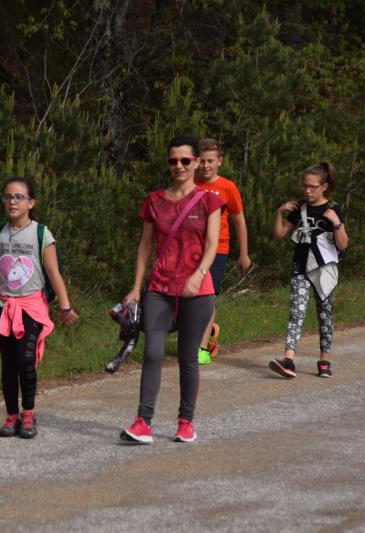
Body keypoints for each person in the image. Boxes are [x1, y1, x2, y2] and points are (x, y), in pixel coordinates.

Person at [120, 134, 224, 444]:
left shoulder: (210, 200)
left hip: (197, 290)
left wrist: (200, 273)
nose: (178, 165)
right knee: (152, 352)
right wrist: (137, 287)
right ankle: (143, 422)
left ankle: (185, 422)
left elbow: (211, 244)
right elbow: (144, 247)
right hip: (160, 287)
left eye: (185, 160)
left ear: (195, 163)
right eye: (173, 160)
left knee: (187, 357)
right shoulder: (155, 200)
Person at [0, 177, 79, 439]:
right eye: (7, 196)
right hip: (2, 305)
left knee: (25, 361)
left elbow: (53, 273)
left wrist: (65, 307)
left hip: (31, 307)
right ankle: (11, 416)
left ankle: (28, 414)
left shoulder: (41, 233)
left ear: (31, 203)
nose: (12, 202)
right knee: (8, 364)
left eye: (19, 197)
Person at [269, 161, 348, 379]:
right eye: (305, 186)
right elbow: (279, 234)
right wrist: (279, 213)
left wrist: (337, 223)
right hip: (300, 267)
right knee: (296, 312)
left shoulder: (332, 209)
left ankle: (324, 359)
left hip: (323, 269)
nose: (307, 190)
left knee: (325, 314)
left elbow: (343, 244)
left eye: (312, 186)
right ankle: (289, 359)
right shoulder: (299, 208)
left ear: (324, 186)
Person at [194, 138, 251, 365]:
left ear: (220, 161)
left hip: (218, 249)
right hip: (191, 249)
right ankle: (205, 333)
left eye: (211, 161)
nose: (206, 166)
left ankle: (202, 347)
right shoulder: (190, 184)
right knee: (186, 297)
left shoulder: (227, 187)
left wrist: (243, 254)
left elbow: (239, 221)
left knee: (207, 297)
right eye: (202, 161)